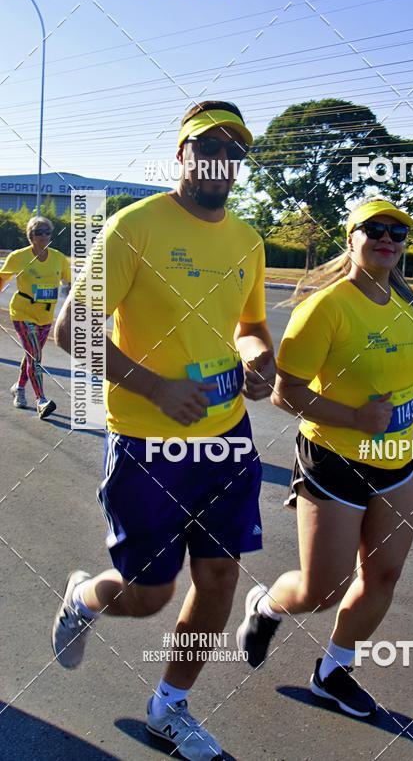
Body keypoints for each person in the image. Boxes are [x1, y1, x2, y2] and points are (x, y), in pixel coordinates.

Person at [51, 100, 275, 761]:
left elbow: (250, 325)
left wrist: (259, 356)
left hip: (226, 437)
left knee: (221, 579)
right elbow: (71, 330)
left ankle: (169, 706)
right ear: (182, 154)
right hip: (147, 442)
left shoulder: (247, 240)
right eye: (209, 146)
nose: (222, 159)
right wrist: (155, 387)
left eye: (235, 150)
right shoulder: (135, 227)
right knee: (150, 595)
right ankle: (84, 598)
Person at [237, 198, 413, 717]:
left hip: (395, 462)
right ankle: (267, 604)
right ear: (351, 237)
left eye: (398, 232)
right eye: (375, 229)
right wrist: (353, 418)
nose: (388, 239)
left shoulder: (409, 307)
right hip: (333, 460)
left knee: (383, 576)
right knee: (322, 590)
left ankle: (333, 671)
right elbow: (285, 392)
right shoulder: (324, 309)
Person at [0, 215, 70, 419]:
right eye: (39, 232)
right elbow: (2, 277)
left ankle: (19, 388)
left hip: (46, 316)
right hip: (23, 312)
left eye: (48, 232)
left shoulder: (58, 258)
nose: (44, 236)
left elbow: (69, 284)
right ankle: (41, 400)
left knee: (32, 355)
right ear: (31, 236)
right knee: (35, 356)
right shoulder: (19, 257)